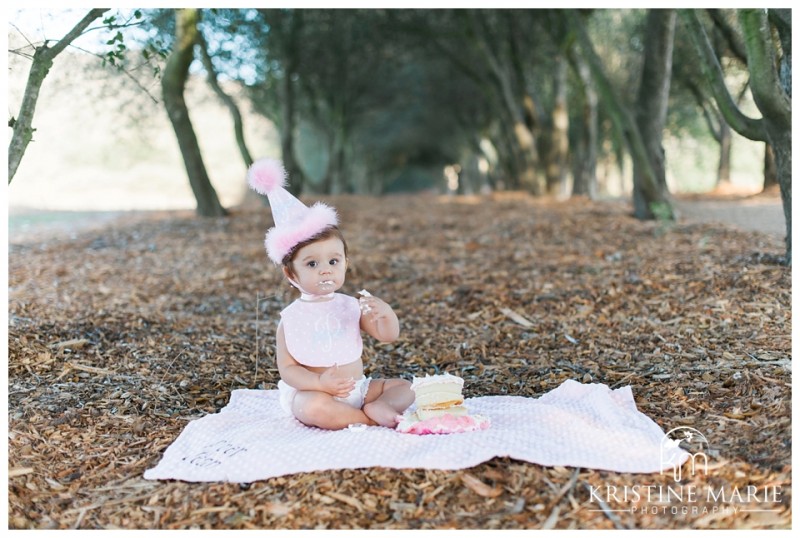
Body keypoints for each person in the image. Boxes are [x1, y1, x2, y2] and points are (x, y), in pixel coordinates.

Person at [248, 158, 413, 430]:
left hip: (358, 389)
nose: (325, 270)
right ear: (291, 274)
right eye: (312, 264)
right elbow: (288, 370)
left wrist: (386, 314)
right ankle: (367, 420)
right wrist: (318, 383)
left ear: (345, 263)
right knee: (310, 408)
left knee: (406, 387)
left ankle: (376, 405)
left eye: (333, 261)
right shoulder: (290, 319)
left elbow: (387, 335)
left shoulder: (351, 306)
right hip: (318, 392)